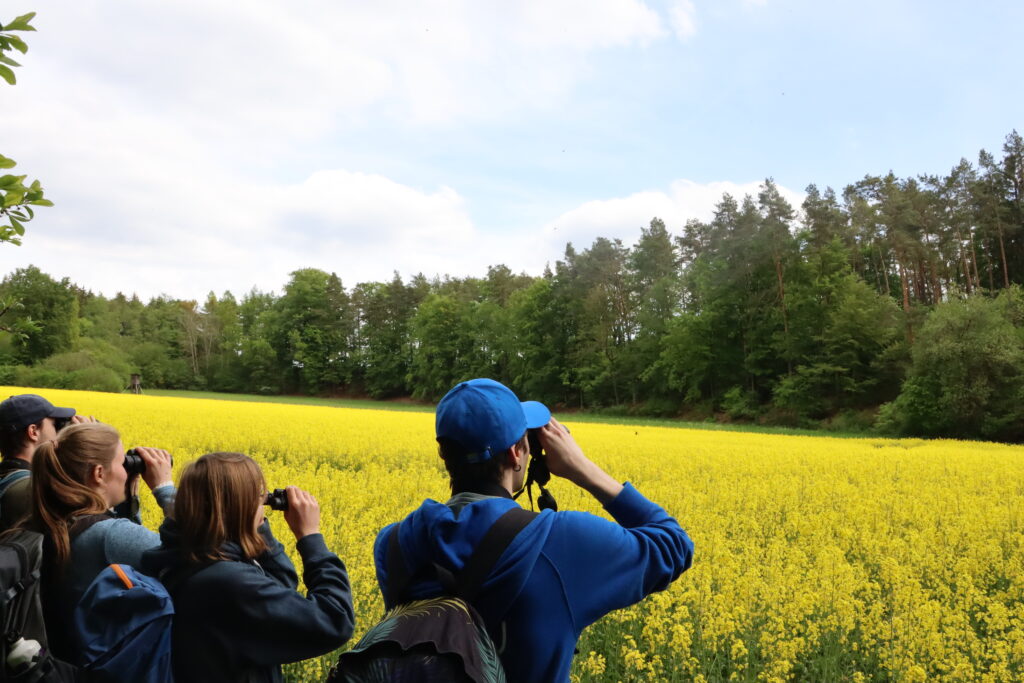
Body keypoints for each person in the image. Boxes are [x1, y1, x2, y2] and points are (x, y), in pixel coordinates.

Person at [373, 378, 694, 682]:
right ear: (516, 453)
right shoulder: (561, 542)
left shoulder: (393, 546)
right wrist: (582, 468)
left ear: (444, 453)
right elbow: (674, 546)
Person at [142, 452, 355, 683]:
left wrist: (255, 531)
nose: (263, 504)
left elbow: (280, 584)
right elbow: (335, 620)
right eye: (259, 497)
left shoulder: (183, 553)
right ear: (240, 507)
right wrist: (310, 536)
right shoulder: (228, 583)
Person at [27, 421, 174, 660]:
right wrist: (165, 488)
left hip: (68, 660)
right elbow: (194, 551)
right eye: (121, 463)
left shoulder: (56, 515)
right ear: (98, 473)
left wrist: (129, 501)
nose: (126, 471)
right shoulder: (108, 534)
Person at [0, 393, 86, 529]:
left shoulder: (6, 478)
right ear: (33, 432)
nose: (58, 433)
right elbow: (83, 531)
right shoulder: (34, 491)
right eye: (54, 424)